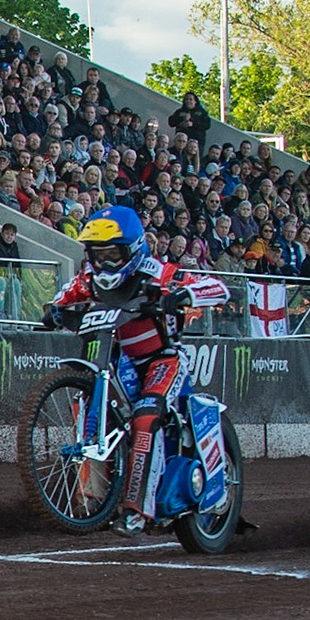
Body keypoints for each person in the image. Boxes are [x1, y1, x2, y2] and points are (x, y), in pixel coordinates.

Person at [42, 206, 230, 536]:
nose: (106, 263)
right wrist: (54, 311)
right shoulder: (88, 277)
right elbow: (62, 297)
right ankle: (93, 497)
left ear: (133, 248)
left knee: (145, 419)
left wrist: (184, 295)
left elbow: (218, 288)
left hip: (163, 360)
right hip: (119, 361)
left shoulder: (158, 271)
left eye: (114, 254)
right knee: (87, 406)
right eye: (99, 255)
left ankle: (136, 511)